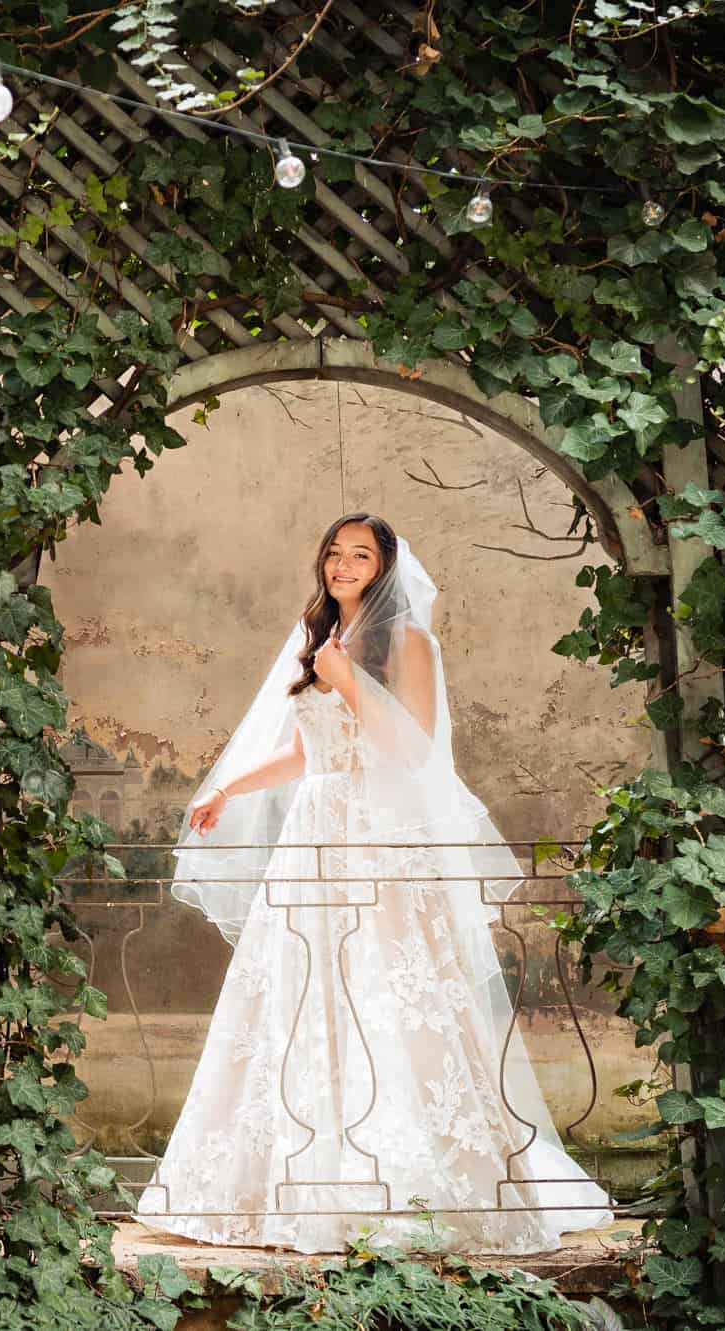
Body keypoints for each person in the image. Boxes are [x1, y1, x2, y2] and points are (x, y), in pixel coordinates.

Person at [134, 513, 611, 1254]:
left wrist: (350, 678)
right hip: (314, 834)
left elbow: (413, 749)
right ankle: (280, 1178)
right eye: (335, 552)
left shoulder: (409, 643)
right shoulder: (317, 639)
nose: (344, 564)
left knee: (384, 989)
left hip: (378, 839)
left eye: (361, 554)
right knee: (297, 992)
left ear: (385, 567)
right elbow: (306, 750)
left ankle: (402, 1176)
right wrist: (229, 789)